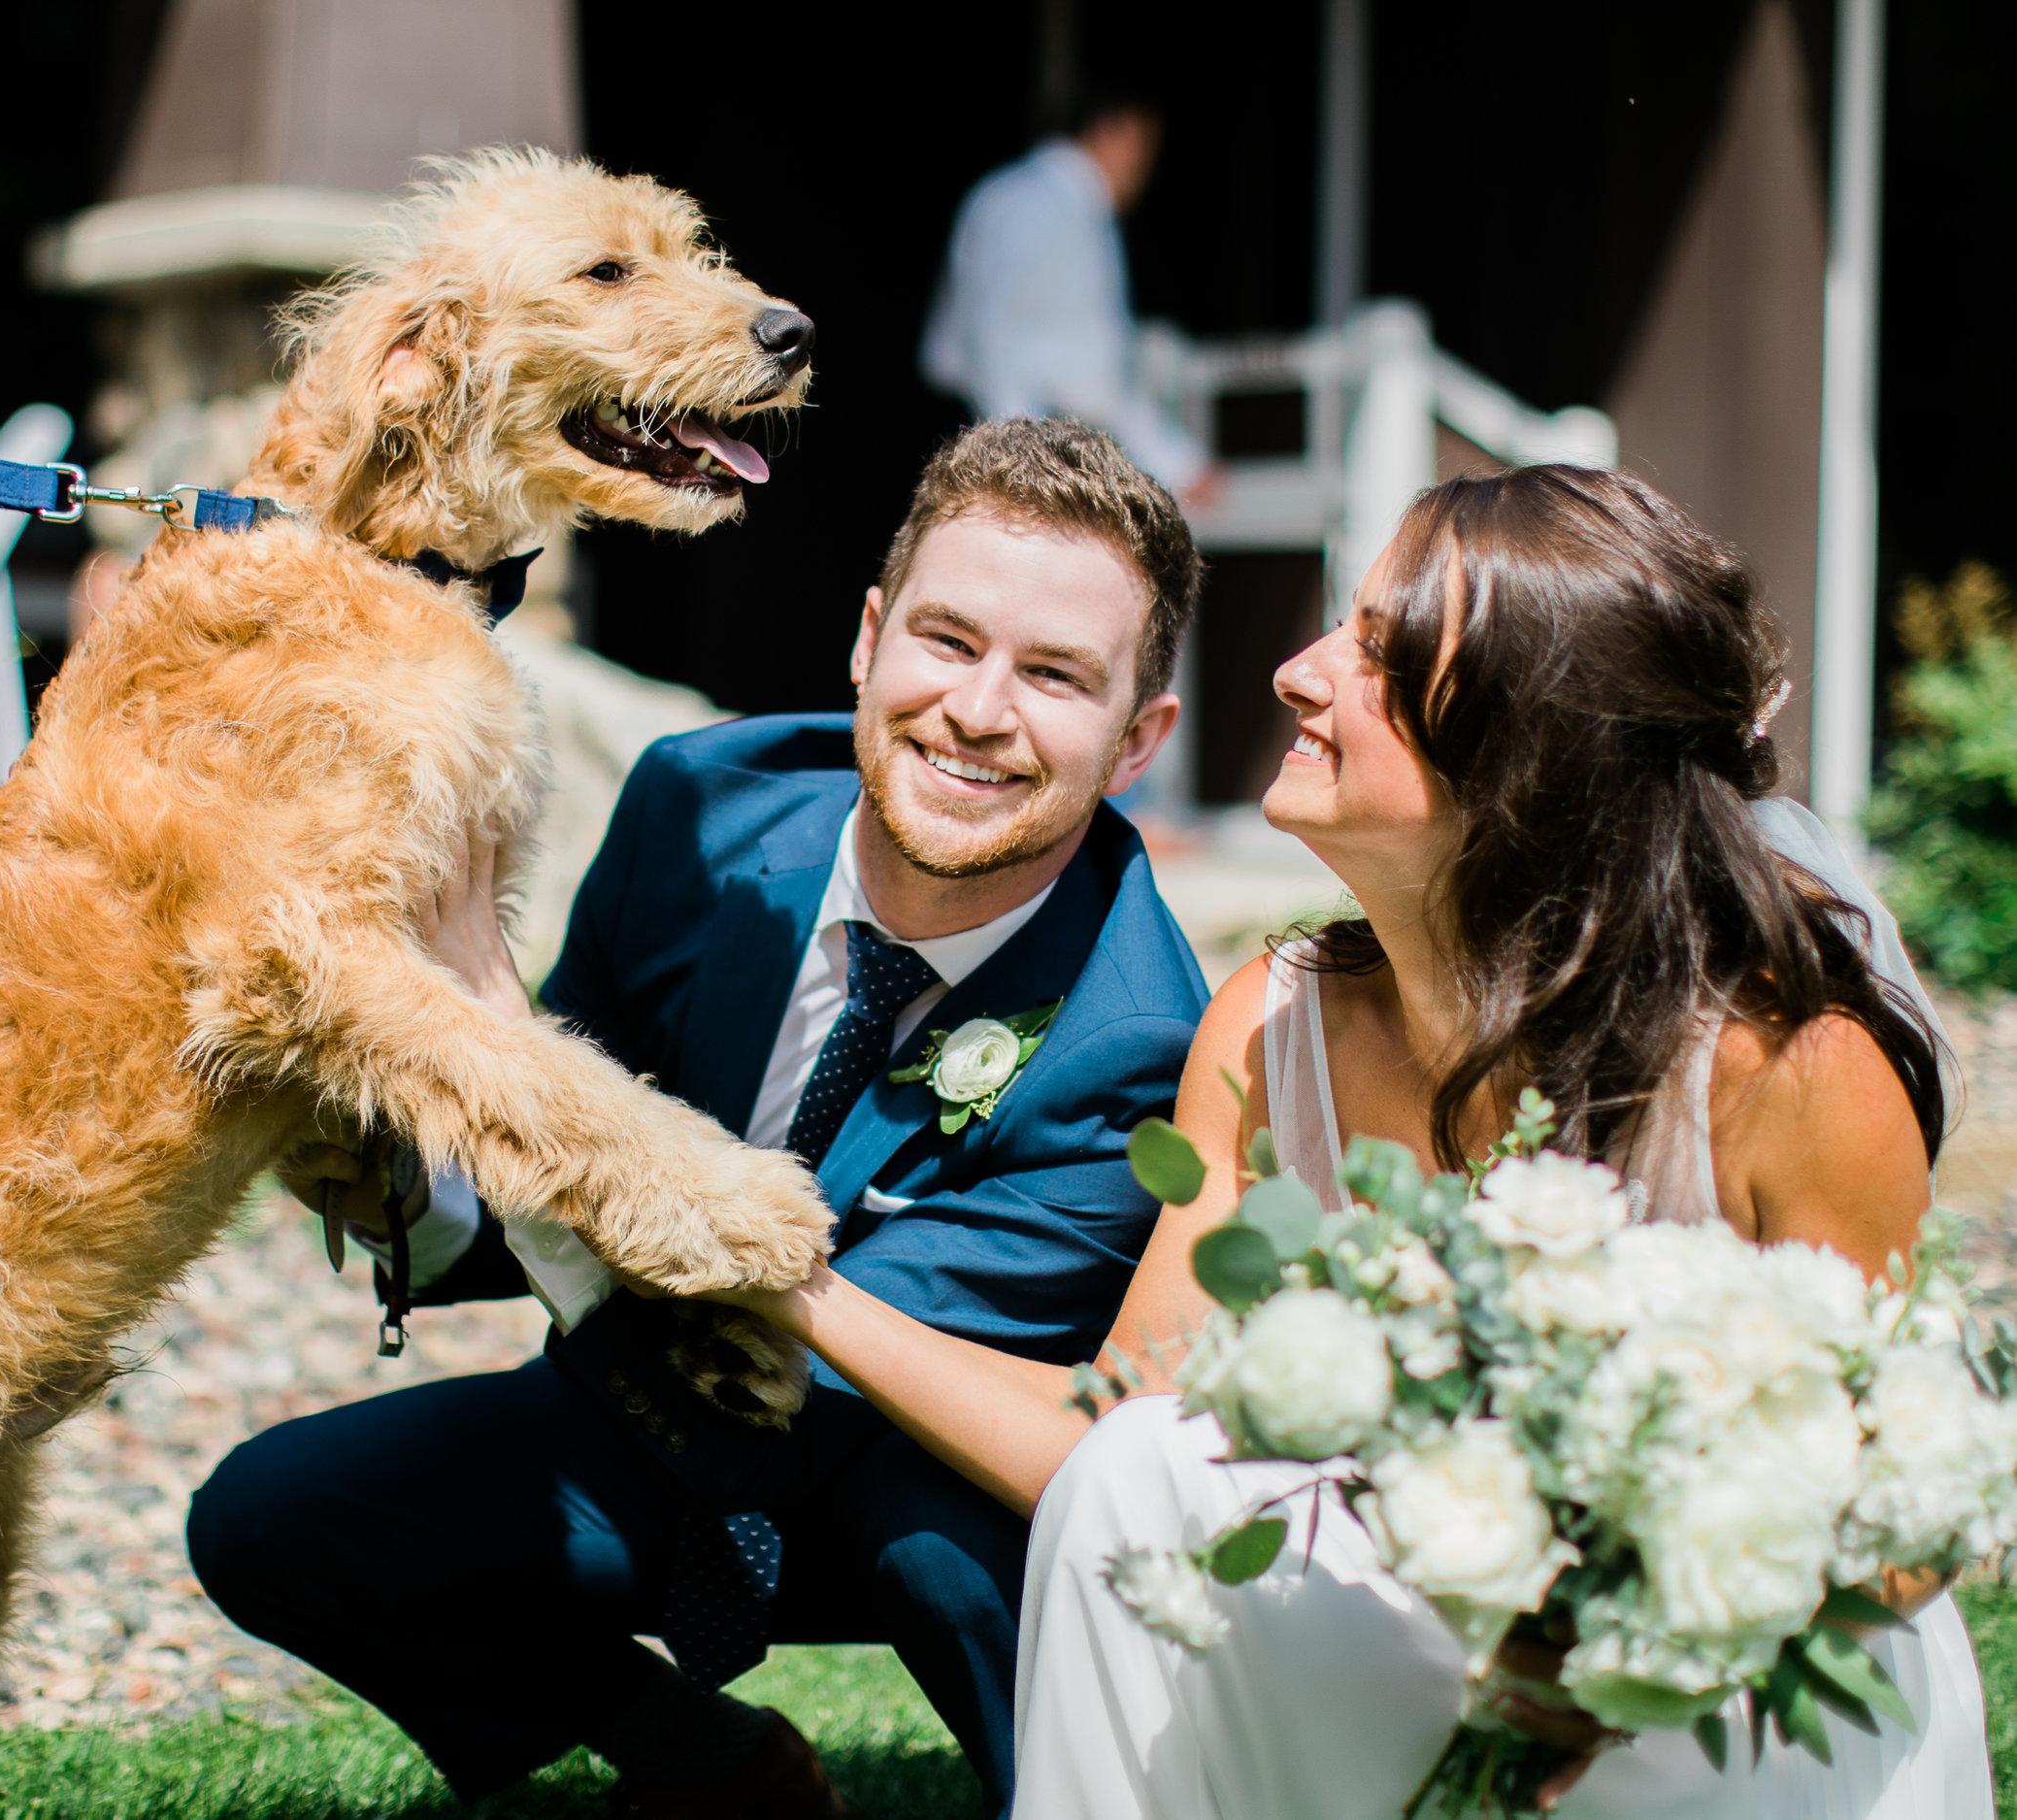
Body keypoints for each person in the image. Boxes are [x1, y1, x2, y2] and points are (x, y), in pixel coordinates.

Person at [690, 464, 1988, 1818]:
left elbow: (1908, 1522)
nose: (1300, 674)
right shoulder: (1269, 1025)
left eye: (1376, 652)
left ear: (1526, 749)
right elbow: (1113, 1435)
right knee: (1145, 1470)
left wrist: (1613, 1610)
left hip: (1729, 1693)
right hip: (1418, 1643)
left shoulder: (1781, 1064)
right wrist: (793, 1279)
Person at [184, 417, 1210, 1819]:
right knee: (272, 1520)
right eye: (947, 639)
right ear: (867, 636)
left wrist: (498, 1018)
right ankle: (697, 1752)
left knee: (954, 1545)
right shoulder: (697, 807)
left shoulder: (1140, 1037)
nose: (977, 709)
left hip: (898, 1474)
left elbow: (734, 1330)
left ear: (1141, 735)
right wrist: (402, 1141)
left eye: (1054, 675)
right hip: (636, 1430)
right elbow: (539, 1175)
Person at [923, 94, 1216, 509]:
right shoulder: (1025, 201)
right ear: (1112, 133)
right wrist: (1018, 458)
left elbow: (1097, 370)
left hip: (1039, 441)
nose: (1146, 166)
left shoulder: (1085, 210)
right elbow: (987, 333)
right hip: (995, 434)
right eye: (1144, 145)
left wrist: (1179, 462)